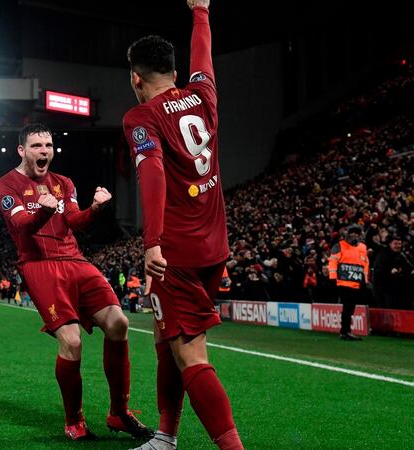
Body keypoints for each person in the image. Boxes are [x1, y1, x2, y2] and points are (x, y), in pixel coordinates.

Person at [122, 1, 243, 449]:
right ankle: (165, 436)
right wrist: (201, 13)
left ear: (136, 78)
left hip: (177, 253)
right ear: (175, 72)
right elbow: (204, 60)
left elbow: (151, 172)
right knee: (164, 337)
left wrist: (152, 241)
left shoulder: (141, 116)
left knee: (189, 352)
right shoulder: (203, 95)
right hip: (214, 246)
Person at [0, 123, 153, 441]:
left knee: (119, 323)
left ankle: (119, 413)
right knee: (72, 340)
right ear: (22, 150)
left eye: (48, 146)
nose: (44, 151)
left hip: (75, 260)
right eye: (36, 146)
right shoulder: (5, 185)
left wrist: (95, 209)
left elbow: (75, 221)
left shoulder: (63, 183)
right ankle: (74, 420)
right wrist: (43, 212)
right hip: (39, 264)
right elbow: (23, 225)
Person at [328, 225, 369, 340]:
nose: (354, 236)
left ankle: (345, 331)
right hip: (343, 282)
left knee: (350, 308)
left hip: (356, 282)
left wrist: (365, 280)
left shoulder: (363, 247)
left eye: (357, 233)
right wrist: (333, 278)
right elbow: (332, 261)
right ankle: (345, 331)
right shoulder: (339, 245)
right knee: (348, 307)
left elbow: (365, 264)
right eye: (352, 233)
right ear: (348, 234)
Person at [372, 235, 413, 309]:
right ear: (390, 244)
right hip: (383, 288)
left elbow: (409, 266)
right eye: (395, 244)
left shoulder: (401, 255)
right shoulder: (383, 254)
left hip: (396, 288)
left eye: (400, 244)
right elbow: (379, 271)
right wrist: (389, 271)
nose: (398, 246)